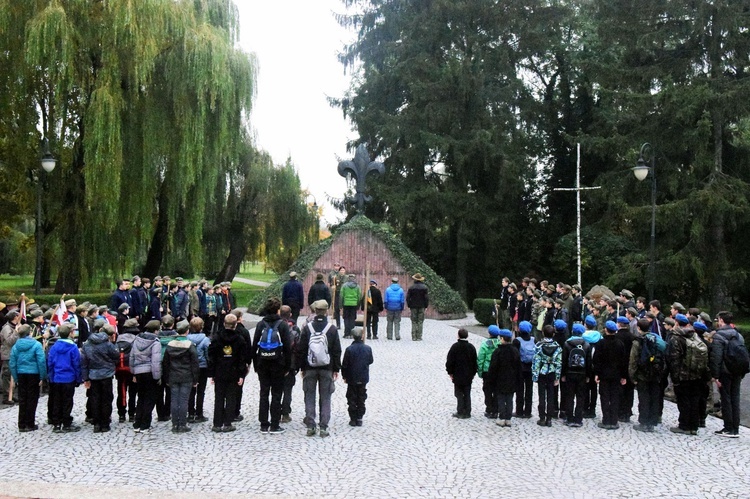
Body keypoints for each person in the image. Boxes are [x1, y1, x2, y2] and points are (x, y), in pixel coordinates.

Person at [296, 299, 342, 437]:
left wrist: (302, 367)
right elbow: (336, 350)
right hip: (327, 367)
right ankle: (323, 426)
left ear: (315, 311)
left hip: (310, 367)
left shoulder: (307, 328)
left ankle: (310, 425)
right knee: (325, 396)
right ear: (326, 311)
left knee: (309, 395)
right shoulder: (332, 329)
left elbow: (301, 349)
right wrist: (336, 369)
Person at [252, 298, 293, 434]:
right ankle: (275, 424)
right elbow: (287, 347)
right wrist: (287, 367)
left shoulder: (260, 324)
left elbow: (254, 346)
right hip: (278, 363)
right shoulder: (282, 325)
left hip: (262, 362)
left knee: (264, 393)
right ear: (278, 310)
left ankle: (264, 424)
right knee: (276, 393)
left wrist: (255, 364)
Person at [668, 313, 709, 435]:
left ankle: (684, 425)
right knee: (694, 400)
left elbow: (674, 359)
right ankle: (694, 426)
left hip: (683, 374)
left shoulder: (677, 337)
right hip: (697, 374)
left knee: (684, 400)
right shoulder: (694, 335)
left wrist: (675, 378)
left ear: (676, 323)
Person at [207, 314, 247, 433]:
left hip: (219, 371)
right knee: (231, 398)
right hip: (233, 371)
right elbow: (242, 359)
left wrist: (212, 373)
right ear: (235, 325)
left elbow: (211, 356)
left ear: (224, 324)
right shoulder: (240, 339)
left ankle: (217, 423)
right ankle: (228, 423)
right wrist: (241, 374)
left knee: (219, 398)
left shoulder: (217, 338)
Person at [711, 311, 747, 438]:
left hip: (725, 372)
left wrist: (715, 376)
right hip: (737, 371)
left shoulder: (719, 336)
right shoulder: (738, 335)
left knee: (726, 399)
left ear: (721, 320)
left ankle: (728, 428)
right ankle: (735, 428)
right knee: (735, 398)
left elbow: (716, 357)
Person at [162, 320, 200, 433]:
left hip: (173, 376)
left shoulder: (170, 345)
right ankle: (182, 424)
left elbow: (165, 363)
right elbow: (195, 364)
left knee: (174, 400)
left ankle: (174, 424)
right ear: (187, 331)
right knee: (183, 400)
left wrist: (166, 377)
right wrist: (195, 379)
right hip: (186, 376)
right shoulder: (190, 346)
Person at [80, 324, 119, 432]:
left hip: (93, 375)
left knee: (95, 399)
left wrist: (86, 378)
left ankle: (96, 423)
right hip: (106, 374)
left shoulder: (87, 344)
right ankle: (105, 423)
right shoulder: (108, 344)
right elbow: (116, 355)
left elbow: (84, 362)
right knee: (106, 399)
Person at [630, 318, 666, 433]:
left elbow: (633, 360)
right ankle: (652, 422)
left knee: (644, 398)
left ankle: (643, 422)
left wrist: (633, 376)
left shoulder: (638, 341)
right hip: (656, 373)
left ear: (638, 328)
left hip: (643, 374)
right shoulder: (656, 339)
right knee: (654, 397)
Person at [9, 324, 47, 431]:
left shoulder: (16, 346)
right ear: (30, 333)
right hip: (34, 374)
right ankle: (30, 423)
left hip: (21, 374)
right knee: (32, 399)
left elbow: (12, 363)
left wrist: (16, 377)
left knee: (22, 399)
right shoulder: (36, 345)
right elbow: (41, 361)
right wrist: (42, 376)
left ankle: (21, 424)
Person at [47, 323, 82, 433]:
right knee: (67, 401)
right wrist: (78, 378)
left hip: (57, 377)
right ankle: (66, 423)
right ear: (70, 333)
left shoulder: (54, 347)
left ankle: (57, 423)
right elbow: (76, 364)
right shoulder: (73, 347)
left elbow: (50, 363)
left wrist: (51, 377)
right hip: (69, 377)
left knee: (57, 400)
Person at [593, 321, 627, 430]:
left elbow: (596, 360)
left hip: (604, 374)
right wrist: (624, 375)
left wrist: (597, 373)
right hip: (616, 375)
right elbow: (624, 361)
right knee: (615, 397)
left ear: (606, 330)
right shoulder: (620, 344)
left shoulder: (601, 343)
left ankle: (606, 420)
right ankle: (614, 420)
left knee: (605, 396)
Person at [130, 319, 162, 433]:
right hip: (149, 372)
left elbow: (132, 357)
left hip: (138, 372)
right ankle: (145, 425)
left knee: (141, 398)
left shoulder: (136, 340)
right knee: (149, 399)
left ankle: (137, 423)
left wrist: (133, 372)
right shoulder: (155, 342)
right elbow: (156, 361)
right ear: (156, 330)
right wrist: (157, 377)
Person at [486, 328, 520, 427]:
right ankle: (508, 418)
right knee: (509, 399)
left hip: (500, 379)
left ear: (501, 338)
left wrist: (490, 379)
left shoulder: (498, 351)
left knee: (501, 399)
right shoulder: (515, 351)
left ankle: (502, 417)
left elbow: (493, 367)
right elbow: (518, 367)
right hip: (512, 379)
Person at [561, 323, 591, 427]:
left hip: (570, 373)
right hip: (582, 373)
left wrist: (563, 374)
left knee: (569, 396)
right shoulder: (586, 344)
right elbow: (588, 362)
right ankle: (578, 419)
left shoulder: (567, 344)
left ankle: (569, 418)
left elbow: (564, 360)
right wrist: (588, 375)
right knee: (580, 396)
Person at [342, 329, 374, 426]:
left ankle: (352, 418)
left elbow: (344, 365)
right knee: (361, 397)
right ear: (362, 336)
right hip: (363, 377)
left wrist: (344, 376)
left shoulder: (349, 349)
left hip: (352, 377)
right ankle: (359, 417)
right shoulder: (368, 348)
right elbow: (370, 361)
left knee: (351, 397)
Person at [532, 325, 562, 427]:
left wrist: (535, 375)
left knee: (541, 396)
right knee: (551, 396)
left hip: (542, 372)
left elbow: (536, 361)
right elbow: (559, 363)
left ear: (543, 333)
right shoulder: (557, 346)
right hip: (552, 373)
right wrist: (557, 377)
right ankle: (549, 418)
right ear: (553, 334)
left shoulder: (539, 345)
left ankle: (542, 418)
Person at [445, 328, 477, 419]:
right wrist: (474, 373)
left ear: (458, 336)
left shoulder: (455, 347)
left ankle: (460, 410)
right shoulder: (471, 347)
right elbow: (475, 362)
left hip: (457, 374)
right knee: (467, 392)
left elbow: (450, 361)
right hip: (468, 375)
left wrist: (450, 372)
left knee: (458, 393)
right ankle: (467, 411)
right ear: (467, 336)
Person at [187, 317, 210, 423]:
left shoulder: (187, 339)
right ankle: (199, 413)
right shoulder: (205, 340)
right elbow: (207, 354)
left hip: (190, 367)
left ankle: (190, 413)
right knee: (201, 391)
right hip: (202, 367)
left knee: (191, 391)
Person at [115, 318, 139, 423]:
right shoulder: (136, 339)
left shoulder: (118, 339)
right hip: (131, 369)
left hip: (120, 369)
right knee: (133, 392)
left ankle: (121, 414)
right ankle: (132, 413)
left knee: (121, 391)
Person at [279, 305, 300, 424]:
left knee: (277, 389)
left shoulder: (275, 326)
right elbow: (298, 347)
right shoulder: (295, 329)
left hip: (276, 362)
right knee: (288, 389)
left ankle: (275, 411)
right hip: (290, 363)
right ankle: (285, 413)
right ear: (290, 314)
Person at [231, 308, 253, 423]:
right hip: (240, 363)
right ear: (239, 319)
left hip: (227, 363)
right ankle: (236, 411)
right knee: (238, 388)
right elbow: (249, 348)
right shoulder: (244, 332)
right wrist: (248, 363)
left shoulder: (225, 330)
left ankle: (227, 410)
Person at [477, 325, 502, 419]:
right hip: (498, 371)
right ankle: (496, 409)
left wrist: (480, 371)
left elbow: (480, 358)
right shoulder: (500, 343)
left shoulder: (485, 344)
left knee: (487, 390)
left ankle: (489, 408)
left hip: (487, 370)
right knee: (496, 390)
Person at [513, 321, 535, 418]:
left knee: (520, 390)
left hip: (520, 368)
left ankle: (519, 411)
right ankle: (528, 411)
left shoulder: (517, 341)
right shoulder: (534, 340)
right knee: (529, 390)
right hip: (531, 368)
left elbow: (514, 356)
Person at [615, 315, 636, 423]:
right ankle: (628, 411)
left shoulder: (617, 337)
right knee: (629, 391)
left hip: (619, 367)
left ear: (619, 324)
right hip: (630, 366)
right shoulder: (632, 337)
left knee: (620, 390)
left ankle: (620, 412)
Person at [1, 310, 20, 404]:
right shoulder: (6, 328)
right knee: (7, 375)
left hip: (15, 354)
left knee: (14, 375)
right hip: (8, 355)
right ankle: (6, 396)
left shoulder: (15, 326)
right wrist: (16, 332)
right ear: (14, 317)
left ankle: (12, 395)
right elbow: (9, 342)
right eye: (17, 315)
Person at [406, 273, 429, 341]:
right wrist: (426, 305)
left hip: (413, 306)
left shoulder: (411, 288)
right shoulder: (425, 288)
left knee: (414, 321)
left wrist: (409, 305)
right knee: (420, 321)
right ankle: (419, 336)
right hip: (422, 306)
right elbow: (426, 298)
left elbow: (408, 298)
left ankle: (414, 336)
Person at [340, 274, 361, 338]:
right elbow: (359, 296)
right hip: (354, 304)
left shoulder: (344, 286)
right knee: (352, 319)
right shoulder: (357, 286)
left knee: (346, 319)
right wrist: (358, 304)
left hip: (346, 304)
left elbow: (341, 295)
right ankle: (352, 334)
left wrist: (341, 304)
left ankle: (346, 334)